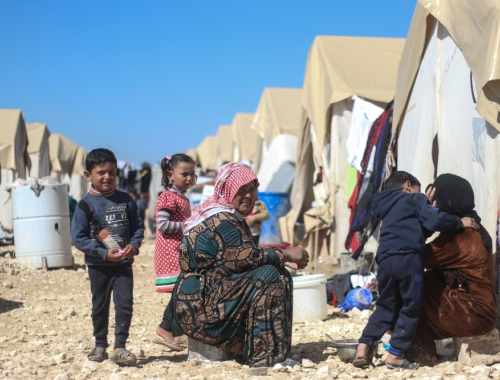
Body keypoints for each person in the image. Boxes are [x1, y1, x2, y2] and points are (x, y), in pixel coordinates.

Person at [169, 163, 309, 367]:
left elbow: (242, 258)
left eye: (252, 190)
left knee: (278, 272)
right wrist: (285, 253)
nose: (248, 196)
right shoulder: (222, 219)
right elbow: (241, 258)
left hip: (208, 299)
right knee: (268, 275)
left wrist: (280, 259)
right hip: (200, 311)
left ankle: (270, 350)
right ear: (227, 190)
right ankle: (265, 356)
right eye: (241, 190)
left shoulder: (230, 217)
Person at [354, 171, 478, 369]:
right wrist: (458, 222)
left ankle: (363, 346)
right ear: (407, 185)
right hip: (408, 259)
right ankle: (395, 354)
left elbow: (416, 230)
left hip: (385, 259)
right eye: (418, 191)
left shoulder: (385, 207)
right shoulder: (414, 199)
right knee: (411, 307)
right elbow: (434, 220)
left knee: (385, 305)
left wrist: (423, 211)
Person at [407, 174, 497, 366]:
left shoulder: (460, 238)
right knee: (421, 281)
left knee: (403, 288)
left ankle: (425, 357)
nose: (435, 204)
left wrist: (422, 213)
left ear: (447, 202)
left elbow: (411, 256)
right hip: (478, 311)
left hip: (473, 315)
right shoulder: (473, 226)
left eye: (436, 200)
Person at [71, 148, 145, 365]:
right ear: (88, 176)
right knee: (100, 305)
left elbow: (138, 227)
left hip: (123, 265)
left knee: (124, 304)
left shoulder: (126, 200)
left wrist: (134, 244)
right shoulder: (85, 205)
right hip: (98, 266)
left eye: (112, 172)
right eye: (101, 172)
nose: (107, 177)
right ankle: (100, 345)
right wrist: (103, 253)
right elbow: (78, 238)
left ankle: (120, 347)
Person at [152, 154, 196, 351]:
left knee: (181, 293)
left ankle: (176, 333)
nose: (189, 178)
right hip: (171, 252)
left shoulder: (181, 197)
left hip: (180, 251)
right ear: (170, 173)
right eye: (184, 174)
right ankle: (166, 328)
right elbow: (162, 224)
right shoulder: (168, 197)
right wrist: (188, 225)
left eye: (192, 174)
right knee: (180, 292)